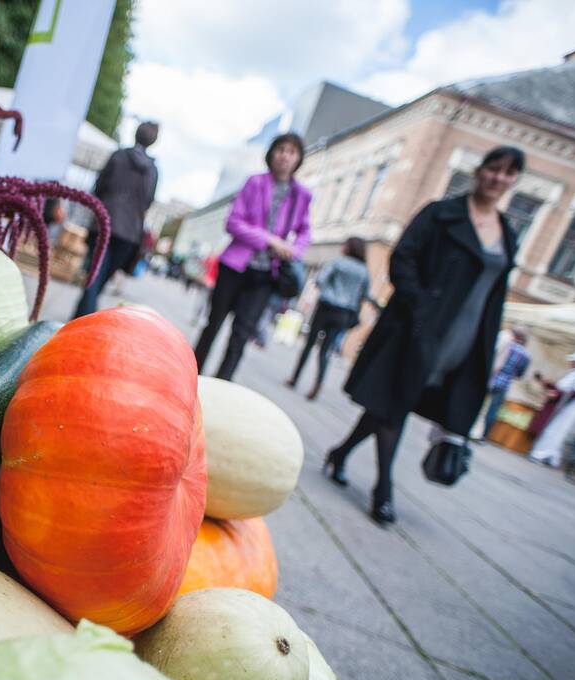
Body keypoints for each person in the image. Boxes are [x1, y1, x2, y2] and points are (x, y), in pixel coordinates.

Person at [324, 146, 525, 525]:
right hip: (416, 331)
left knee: (390, 405)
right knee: (395, 404)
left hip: (465, 340)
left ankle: (340, 453)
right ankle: (383, 491)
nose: (498, 178)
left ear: (514, 180)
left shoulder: (508, 234)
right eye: (493, 168)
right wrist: (422, 309)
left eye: (508, 173)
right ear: (479, 169)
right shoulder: (440, 214)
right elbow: (402, 260)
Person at [193, 133, 312, 380]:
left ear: (298, 159)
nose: (285, 156)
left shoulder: (302, 195)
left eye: (291, 151)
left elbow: (305, 231)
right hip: (235, 266)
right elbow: (233, 222)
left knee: (241, 334)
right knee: (213, 324)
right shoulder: (255, 183)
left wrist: (294, 250)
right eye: (280, 149)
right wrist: (269, 239)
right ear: (272, 153)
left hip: (266, 274)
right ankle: (191, 375)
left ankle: (222, 385)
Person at [73, 122, 160, 317]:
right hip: (129, 233)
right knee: (99, 279)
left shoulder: (119, 156)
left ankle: (83, 322)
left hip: (105, 222)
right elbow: (148, 201)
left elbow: (100, 185)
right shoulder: (152, 170)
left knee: (94, 277)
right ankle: (82, 321)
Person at [286, 237, 373, 400]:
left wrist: (330, 291)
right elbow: (366, 294)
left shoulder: (338, 263)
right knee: (325, 350)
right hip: (343, 314)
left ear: (349, 248)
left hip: (326, 308)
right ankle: (318, 383)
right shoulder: (364, 271)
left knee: (309, 344)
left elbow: (320, 280)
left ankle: (295, 378)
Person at [529, 351, 575, 467]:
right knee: (557, 430)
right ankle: (552, 457)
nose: (571, 362)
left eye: (574, 360)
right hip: (568, 404)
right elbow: (564, 388)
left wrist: (557, 396)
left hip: (573, 406)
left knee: (556, 430)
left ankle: (540, 454)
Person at [479, 326, 532, 439]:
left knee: (479, 403)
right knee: (493, 409)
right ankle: (483, 435)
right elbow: (519, 374)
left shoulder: (507, 345)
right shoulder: (526, 356)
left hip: (491, 377)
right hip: (504, 384)